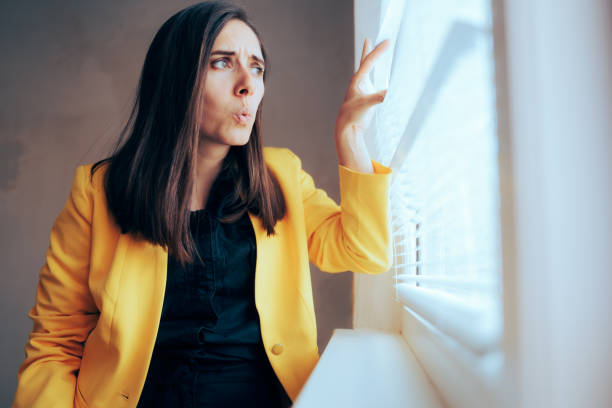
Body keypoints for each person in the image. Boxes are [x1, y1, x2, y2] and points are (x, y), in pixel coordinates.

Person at [12, 1, 392, 407]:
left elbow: (364, 251)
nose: (248, 84)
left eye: (257, 67)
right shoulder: (98, 190)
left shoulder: (281, 176)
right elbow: (55, 342)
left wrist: (350, 137)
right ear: (177, 78)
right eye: (222, 63)